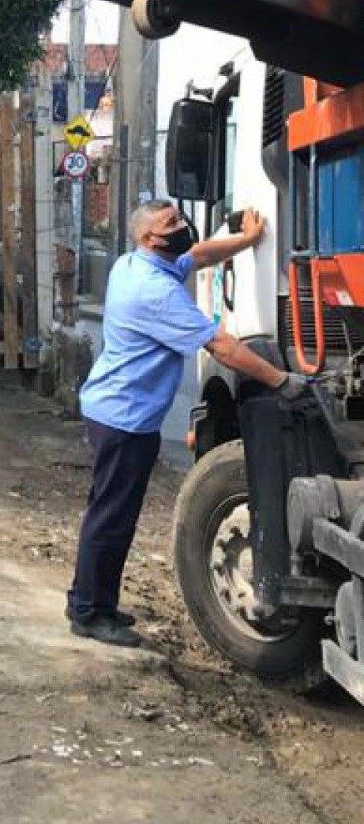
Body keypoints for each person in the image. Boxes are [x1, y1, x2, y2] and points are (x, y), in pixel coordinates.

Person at [67, 199, 306, 648]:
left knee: (111, 512)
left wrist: (246, 240)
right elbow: (221, 346)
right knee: (111, 516)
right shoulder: (155, 291)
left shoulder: (135, 263)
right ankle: (88, 612)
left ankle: (94, 602)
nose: (181, 226)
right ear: (148, 238)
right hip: (124, 418)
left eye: (178, 218)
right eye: (170, 224)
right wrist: (280, 380)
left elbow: (197, 255)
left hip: (115, 411)